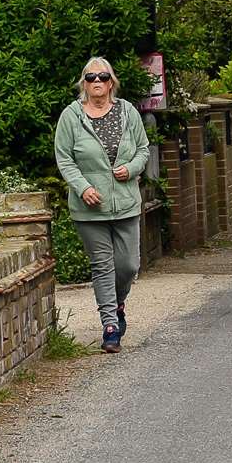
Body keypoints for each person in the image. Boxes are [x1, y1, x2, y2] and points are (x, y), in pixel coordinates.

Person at [54, 57, 150, 353]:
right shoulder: (71, 117)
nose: (97, 82)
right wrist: (83, 188)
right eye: (91, 77)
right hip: (89, 209)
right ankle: (110, 325)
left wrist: (132, 168)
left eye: (103, 77)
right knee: (102, 267)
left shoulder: (127, 112)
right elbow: (64, 158)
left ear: (112, 82)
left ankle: (118, 304)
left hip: (125, 203)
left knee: (128, 266)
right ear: (84, 83)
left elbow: (144, 150)